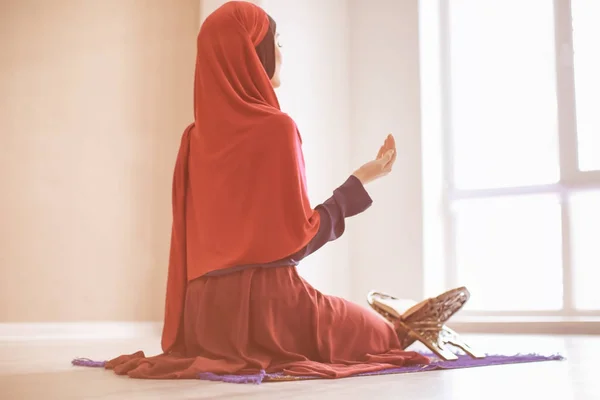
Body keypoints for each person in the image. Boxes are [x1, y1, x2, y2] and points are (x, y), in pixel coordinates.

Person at [105, 1, 444, 380]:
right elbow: (298, 241)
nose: (282, 53)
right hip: (271, 312)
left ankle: (399, 314)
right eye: (276, 42)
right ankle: (397, 322)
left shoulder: (192, 139)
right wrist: (359, 182)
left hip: (204, 320)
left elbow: (187, 249)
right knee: (381, 336)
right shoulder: (277, 129)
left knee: (356, 321)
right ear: (254, 52)